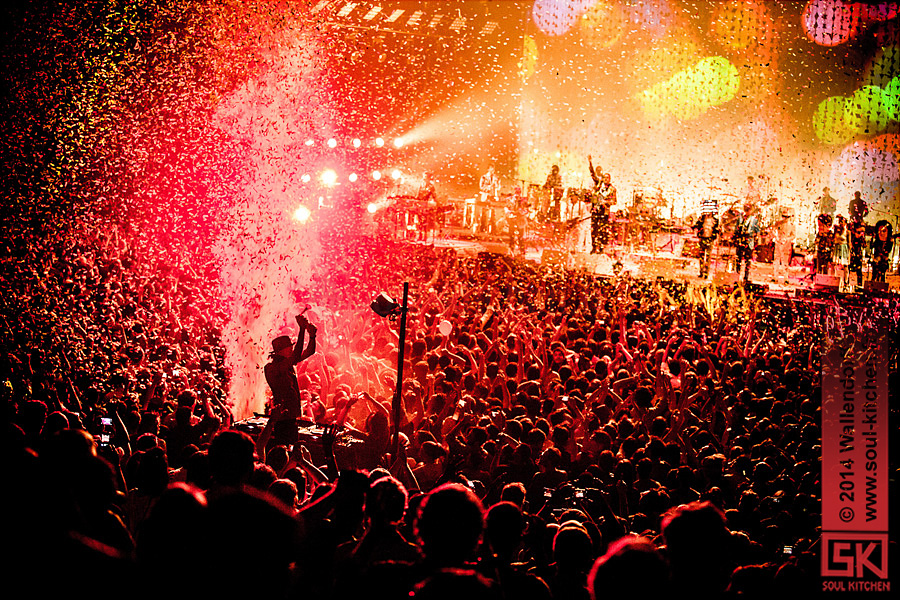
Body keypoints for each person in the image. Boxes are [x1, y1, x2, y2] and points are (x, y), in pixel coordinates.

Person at [264, 312, 317, 444]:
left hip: (291, 417)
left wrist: (312, 336)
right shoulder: (272, 367)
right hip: (282, 418)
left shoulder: (287, 363)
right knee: (284, 446)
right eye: (289, 348)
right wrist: (302, 330)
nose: (291, 350)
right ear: (280, 350)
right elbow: (296, 355)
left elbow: (309, 351)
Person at [588, 156, 615, 254]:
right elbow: (592, 174)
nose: (606, 179)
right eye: (604, 178)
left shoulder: (612, 189)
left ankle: (601, 247)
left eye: (608, 178)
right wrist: (590, 162)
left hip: (604, 211)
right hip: (596, 210)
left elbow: (614, 201)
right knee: (594, 229)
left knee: (602, 230)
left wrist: (606, 202)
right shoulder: (599, 185)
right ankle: (594, 247)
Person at [731, 202, 759, 283]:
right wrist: (735, 237)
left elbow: (757, 231)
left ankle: (746, 277)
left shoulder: (754, 220)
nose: (747, 211)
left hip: (749, 241)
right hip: (740, 240)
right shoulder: (740, 218)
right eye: (746, 209)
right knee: (738, 258)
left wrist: (753, 236)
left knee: (748, 260)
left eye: (749, 210)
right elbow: (736, 228)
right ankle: (737, 274)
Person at [771, 205, 795, 284]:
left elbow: (793, 235)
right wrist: (776, 237)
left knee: (785, 262)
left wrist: (786, 239)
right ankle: (775, 277)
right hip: (778, 244)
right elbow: (773, 230)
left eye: (787, 217)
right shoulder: (778, 223)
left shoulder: (792, 226)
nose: (785, 218)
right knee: (776, 261)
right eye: (784, 216)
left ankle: (786, 278)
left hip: (786, 245)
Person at [693, 209, 719, 279]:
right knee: (701, 256)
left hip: (710, 239)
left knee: (708, 257)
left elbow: (717, 230)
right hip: (702, 238)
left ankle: (706, 273)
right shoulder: (702, 218)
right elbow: (696, 225)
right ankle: (701, 272)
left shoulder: (715, 220)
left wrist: (716, 237)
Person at [508, 185, 529, 257]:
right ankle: (511, 250)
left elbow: (527, 210)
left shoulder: (524, 200)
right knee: (511, 236)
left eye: (518, 192)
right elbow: (506, 208)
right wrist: (509, 213)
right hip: (512, 219)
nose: (517, 194)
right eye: (516, 192)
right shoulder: (509, 199)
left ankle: (522, 251)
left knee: (521, 237)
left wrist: (522, 212)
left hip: (520, 220)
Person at [477, 166, 500, 234]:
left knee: (493, 212)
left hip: (493, 196)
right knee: (484, 212)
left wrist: (496, 185)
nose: (492, 170)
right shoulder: (484, 177)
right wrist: (488, 187)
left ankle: (493, 228)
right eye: (491, 168)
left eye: (493, 168)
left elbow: (498, 187)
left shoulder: (496, 178)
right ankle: (482, 227)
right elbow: (481, 186)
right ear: (488, 169)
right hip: (485, 195)